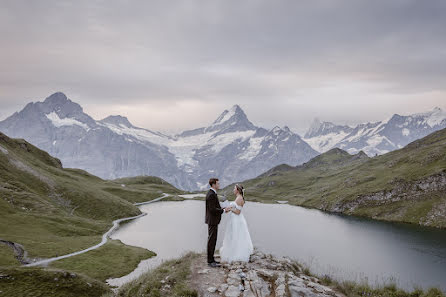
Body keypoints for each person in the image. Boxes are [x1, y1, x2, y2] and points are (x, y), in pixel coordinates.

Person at [219, 184, 253, 263]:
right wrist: (229, 208)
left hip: (236, 220)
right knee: (234, 235)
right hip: (236, 219)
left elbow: (238, 212)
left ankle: (236, 254)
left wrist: (230, 209)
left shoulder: (239, 198)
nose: (233, 190)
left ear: (237, 190)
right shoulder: (238, 197)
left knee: (236, 236)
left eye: (234, 188)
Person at [205, 178, 231, 267]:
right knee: (211, 240)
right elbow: (212, 209)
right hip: (212, 220)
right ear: (213, 184)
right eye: (218, 183)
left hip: (213, 220)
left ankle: (212, 259)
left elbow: (215, 207)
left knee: (213, 239)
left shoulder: (212, 193)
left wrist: (222, 208)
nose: (219, 185)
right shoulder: (211, 194)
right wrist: (223, 210)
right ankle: (210, 261)